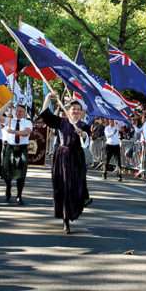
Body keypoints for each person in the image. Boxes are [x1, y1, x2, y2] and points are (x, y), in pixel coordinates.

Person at [40, 93, 91, 234]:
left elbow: (87, 141)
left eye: (78, 109)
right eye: (73, 109)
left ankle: (79, 203)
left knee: (76, 187)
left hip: (77, 159)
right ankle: (65, 220)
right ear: (68, 111)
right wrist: (47, 98)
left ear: (81, 112)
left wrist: (83, 134)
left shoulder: (84, 126)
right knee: (64, 188)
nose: (75, 111)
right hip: (62, 157)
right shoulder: (61, 122)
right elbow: (45, 115)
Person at [0, 100, 32, 205]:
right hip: (10, 147)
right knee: (7, 171)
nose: (18, 113)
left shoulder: (28, 122)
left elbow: (26, 133)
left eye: (21, 111)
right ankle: (8, 188)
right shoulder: (9, 120)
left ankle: (19, 195)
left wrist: (14, 132)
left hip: (22, 148)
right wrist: (7, 104)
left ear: (25, 113)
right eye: (17, 111)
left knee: (21, 173)